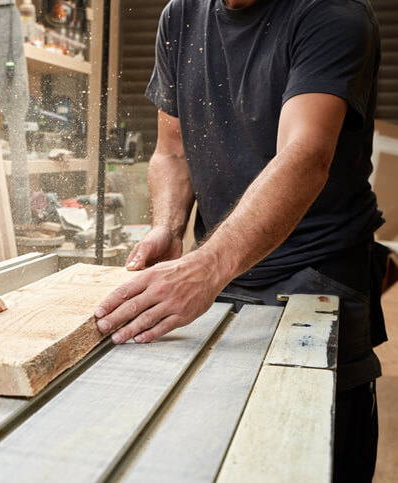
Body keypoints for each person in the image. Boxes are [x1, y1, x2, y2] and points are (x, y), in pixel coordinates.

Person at [93, 0, 389, 480]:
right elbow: (172, 150)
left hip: (315, 278)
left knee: (302, 455)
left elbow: (305, 155)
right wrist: (168, 228)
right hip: (221, 278)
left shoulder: (332, 13)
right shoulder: (180, 16)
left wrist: (205, 268)